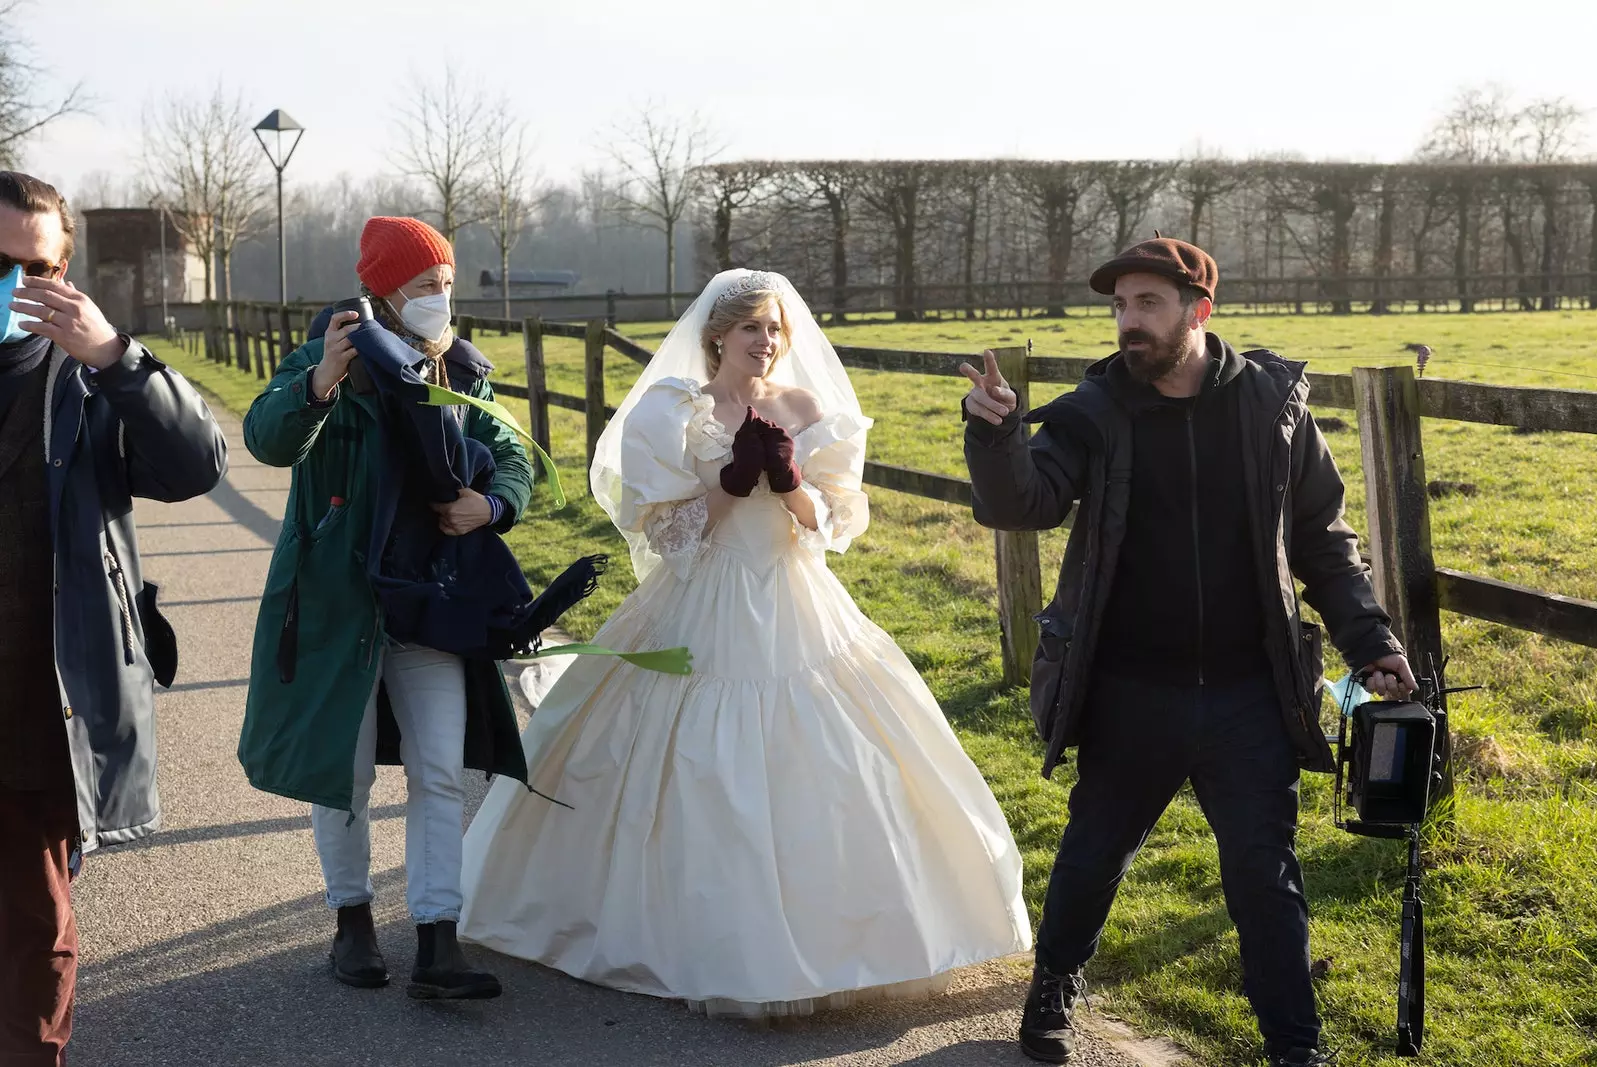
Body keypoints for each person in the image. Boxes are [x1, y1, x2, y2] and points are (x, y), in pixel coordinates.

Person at [458, 268, 1031, 1016]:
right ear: (717, 335)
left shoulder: (803, 406)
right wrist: (730, 481)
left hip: (795, 597)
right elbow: (666, 534)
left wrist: (790, 479)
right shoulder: (674, 410)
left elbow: (836, 520)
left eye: (775, 329)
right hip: (702, 597)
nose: (767, 341)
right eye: (753, 327)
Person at [960, 238, 1417, 1067]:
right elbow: (1023, 503)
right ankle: (1054, 985)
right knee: (1095, 851)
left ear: (1199, 311)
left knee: (1263, 875)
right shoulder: (1091, 412)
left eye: (1147, 305)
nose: (1128, 323)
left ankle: (1295, 1047)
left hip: (1251, 691)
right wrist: (993, 438)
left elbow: (1321, 541)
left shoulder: (1273, 409)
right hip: (1131, 688)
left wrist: (1371, 643)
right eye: (1120, 307)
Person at [238, 216, 538, 1001]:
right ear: (385, 291)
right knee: (344, 771)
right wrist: (319, 383)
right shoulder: (329, 354)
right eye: (425, 285)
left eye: (447, 282)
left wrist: (494, 504)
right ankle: (352, 924)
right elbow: (267, 439)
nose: (442, 298)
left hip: (431, 600)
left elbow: (511, 453)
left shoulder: (463, 370)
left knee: (441, 771)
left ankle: (439, 939)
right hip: (341, 602)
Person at [0, 170, 227, 1065]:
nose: (14, 284)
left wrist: (118, 357)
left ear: (65, 275)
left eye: (34, 267)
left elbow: (196, 463)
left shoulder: (91, 381)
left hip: (39, 703)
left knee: (34, 923)